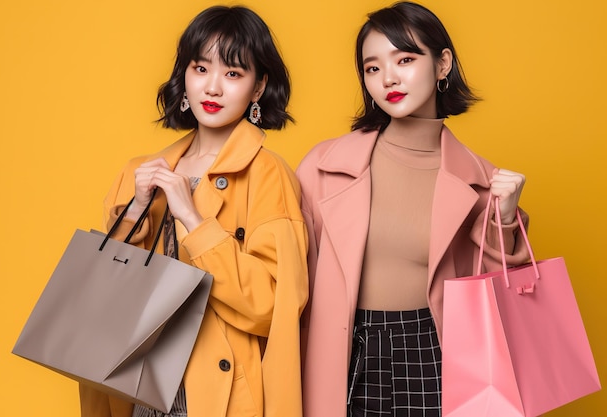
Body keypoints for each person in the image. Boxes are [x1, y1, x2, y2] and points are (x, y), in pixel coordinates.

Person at [296, 2, 531, 417]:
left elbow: (503, 304)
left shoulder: (483, 182)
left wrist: (506, 218)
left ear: (443, 65)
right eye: (372, 68)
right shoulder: (323, 166)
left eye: (405, 59)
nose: (388, 78)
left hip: (434, 350)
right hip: (342, 352)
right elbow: (292, 286)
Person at [79, 6, 308, 417]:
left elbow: (273, 307)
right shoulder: (140, 171)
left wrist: (194, 219)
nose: (213, 88)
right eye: (201, 69)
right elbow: (105, 296)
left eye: (233, 74)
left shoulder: (267, 175)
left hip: (219, 392)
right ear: (184, 75)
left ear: (258, 89)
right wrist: (134, 214)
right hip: (138, 384)